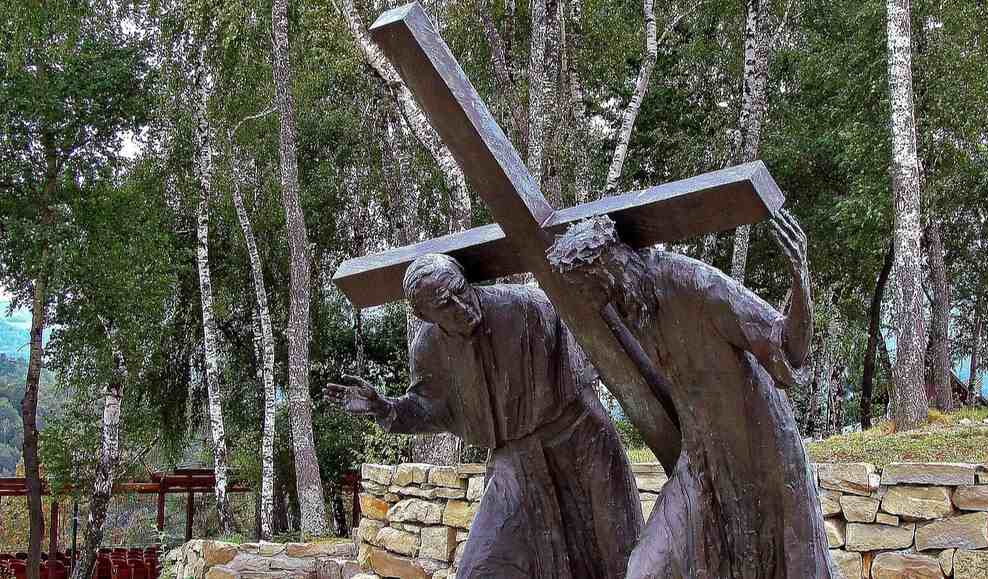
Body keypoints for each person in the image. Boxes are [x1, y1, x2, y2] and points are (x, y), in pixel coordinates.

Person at [546, 212, 835, 579]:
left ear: (606, 270)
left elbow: (787, 346)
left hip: (761, 455)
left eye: (587, 288)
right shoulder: (627, 306)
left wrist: (800, 280)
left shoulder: (694, 284)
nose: (589, 300)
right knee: (644, 570)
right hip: (700, 463)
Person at [326, 253, 642, 579]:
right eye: (445, 304)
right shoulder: (429, 349)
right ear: (424, 314)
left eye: (460, 290)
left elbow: (593, 357)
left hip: (581, 439)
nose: (462, 307)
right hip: (516, 461)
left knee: (621, 554)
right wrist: (384, 407)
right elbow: (427, 407)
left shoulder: (528, 307)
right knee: (480, 566)